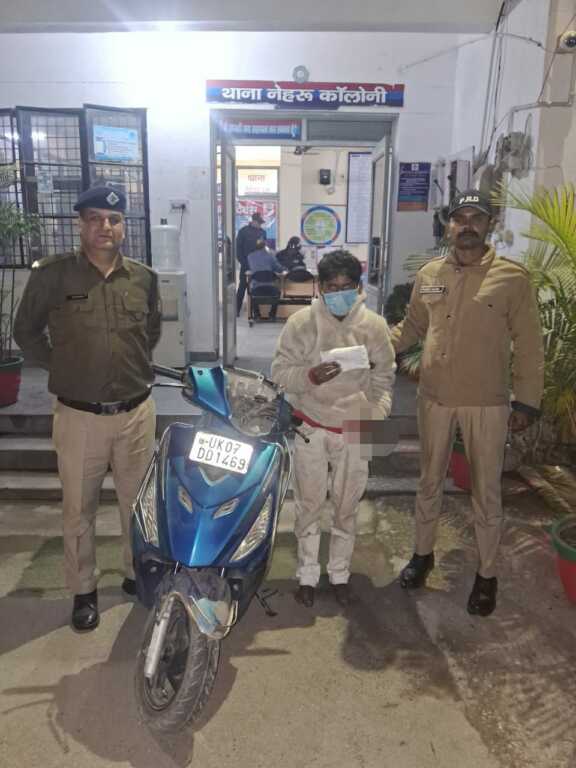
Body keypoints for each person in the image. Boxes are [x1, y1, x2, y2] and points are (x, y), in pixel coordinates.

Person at [14, 185, 162, 633]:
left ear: (124, 227)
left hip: (136, 412)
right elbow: (26, 332)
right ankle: (83, 590)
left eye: (114, 219)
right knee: (79, 509)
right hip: (79, 416)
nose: (105, 226)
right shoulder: (53, 275)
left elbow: (151, 332)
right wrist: (63, 366)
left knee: (139, 504)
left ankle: (137, 574)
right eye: (95, 218)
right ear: (80, 225)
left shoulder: (143, 278)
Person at [391, 190, 544, 617]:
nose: (468, 226)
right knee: (428, 481)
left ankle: (486, 574)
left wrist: (526, 402)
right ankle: (423, 554)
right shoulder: (430, 274)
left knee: (486, 492)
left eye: (477, 219)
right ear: (449, 226)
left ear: (490, 225)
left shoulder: (512, 278)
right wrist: (372, 349)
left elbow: (529, 344)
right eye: (460, 219)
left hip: (486, 404)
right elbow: (413, 326)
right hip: (435, 398)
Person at [271, 250, 396, 608]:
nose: (339, 294)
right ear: (320, 287)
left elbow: (384, 379)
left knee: (347, 505)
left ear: (358, 287)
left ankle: (340, 573)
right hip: (310, 425)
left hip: (356, 425)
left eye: (347, 287)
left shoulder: (374, 326)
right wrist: (308, 377)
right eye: (331, 287)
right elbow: (279, 373)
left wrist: (375, 415)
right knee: (308, 503)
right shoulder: (301, 324)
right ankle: (307, 574)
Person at [236, 212, 266, 316]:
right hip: (246, 266)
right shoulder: (243, 231)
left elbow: (263, 249)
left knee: (256, 289)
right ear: (253, 221)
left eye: (261, 223)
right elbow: (238, 250)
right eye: (259, 222)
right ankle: (236, 310)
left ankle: (256, 312)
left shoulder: (262, 232)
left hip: (258, 267)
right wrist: (245, 264)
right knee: (242, 287)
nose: (260, 225)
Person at [247, 239, 285, 320]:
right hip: (270, 287)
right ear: (265, 247)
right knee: (278, 292)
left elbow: (253, 268)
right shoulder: (270, 256)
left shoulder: (250, 256)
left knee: (252, 292)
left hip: (256, 288)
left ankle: (257, 314)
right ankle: (272, 315)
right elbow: (279, 269)